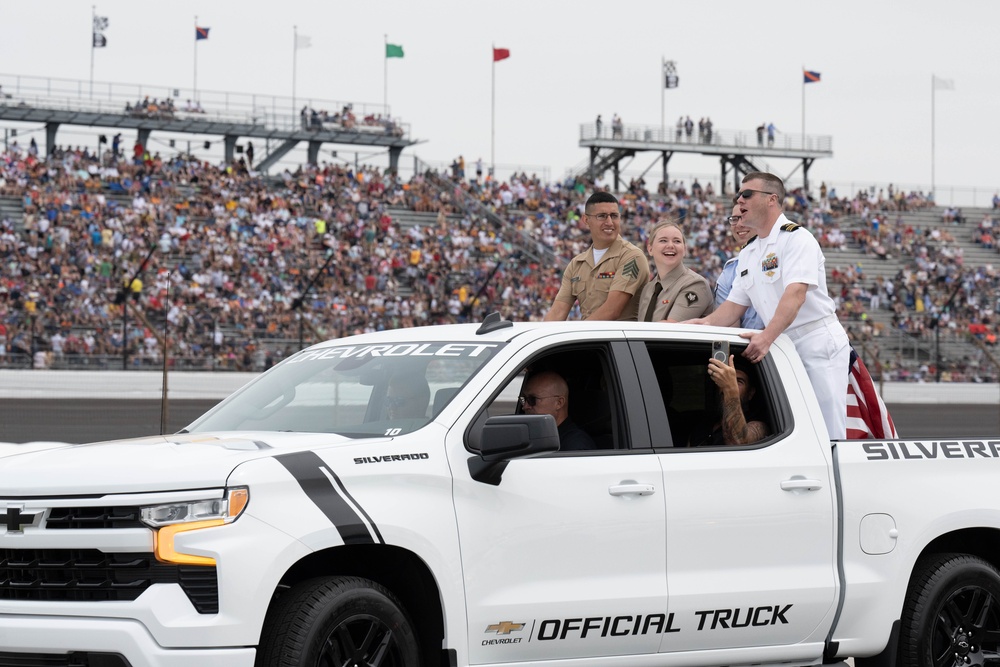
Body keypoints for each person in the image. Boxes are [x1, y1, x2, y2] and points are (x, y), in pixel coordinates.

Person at [688, 172, 850, 440]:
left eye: (747, 194)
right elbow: (732, 309)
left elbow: (795, 295)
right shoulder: (750, 252)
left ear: (772, 199)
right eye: (738, 195)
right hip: (782, 344)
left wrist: (766, 338)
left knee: (826, 430)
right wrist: (697, 326)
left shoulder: (797, 239)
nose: (739, 199)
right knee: (794, 429)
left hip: (814, 341)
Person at [544, 192, 649, 321]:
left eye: (614, 216)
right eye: (602, 216)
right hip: (590, 339)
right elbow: (557, 313)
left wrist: (577, 335)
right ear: (586, 220)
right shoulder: (577, 264)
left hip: (620, 339)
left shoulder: (632, 257)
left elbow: (612, 311)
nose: (610, 222)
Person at [637, 221, 713, 322]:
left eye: (677, 241)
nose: (670, 245)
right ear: (650, 249)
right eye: (663, 240)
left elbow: (671, 328)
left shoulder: (696, 284)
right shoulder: (648, 289)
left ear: (684, 249)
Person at [689, 354, 769, 446]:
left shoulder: (760, 425)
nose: (729, 384)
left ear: (750, 393)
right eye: (724, 380)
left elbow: (737, 442)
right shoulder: (703, 425)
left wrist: (729, 388)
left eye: (738, 381)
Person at [714, 205, 764, 329]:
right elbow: (730, 326)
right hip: (748, 345)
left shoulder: (781, 256)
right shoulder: (729, 273)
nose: (739, 224)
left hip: (785, 344)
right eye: (735, 219)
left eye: (744, 217)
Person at [519, 371, 595, 451]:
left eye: (532, 399)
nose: (525, 406)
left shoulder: (575, 445)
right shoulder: (540, 437)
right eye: (524, 399)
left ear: (559, 403)